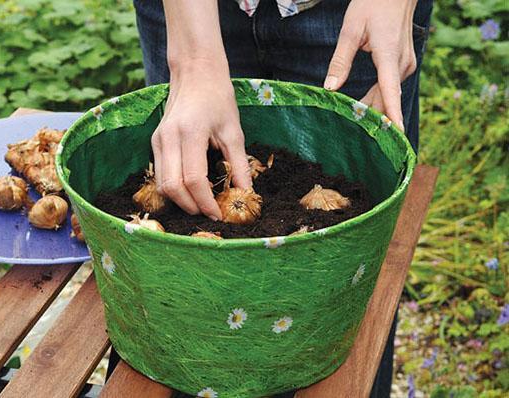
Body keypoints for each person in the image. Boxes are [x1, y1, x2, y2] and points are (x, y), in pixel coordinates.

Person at [107, 1, 433, 396]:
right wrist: (193, 60)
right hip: (193, 13)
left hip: (352, 14)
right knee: (179, 319)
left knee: (341, 321)